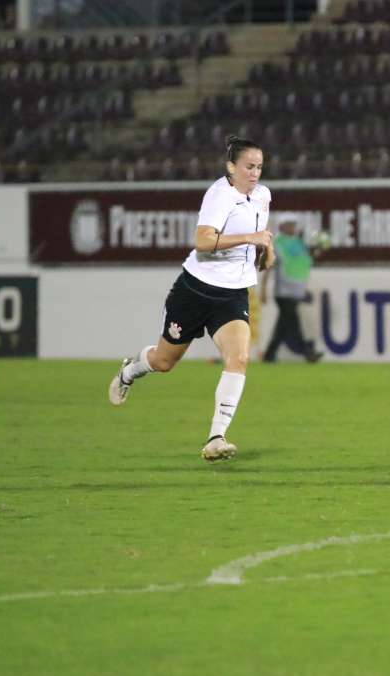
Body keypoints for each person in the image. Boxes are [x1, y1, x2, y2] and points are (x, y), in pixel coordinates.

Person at [107, 134, 275, 461]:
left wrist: (266, 249)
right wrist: (249, 237)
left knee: (239, 358)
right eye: (249, 167)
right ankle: (130, 371)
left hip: (233, 294)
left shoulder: (263, 196)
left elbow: (260, 241)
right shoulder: (219, 195)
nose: (255, 173)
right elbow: (202, 241)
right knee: (164, 362)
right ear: (231, 167)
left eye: (259, 167)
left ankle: (216, 438)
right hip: (195, 290)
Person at [260, 214, 323, 363]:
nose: (292, 227)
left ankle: (269, 355)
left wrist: (319, 249)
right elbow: (268, 267)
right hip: (284, 291)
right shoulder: (277, 243)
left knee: (284, 324)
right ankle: (308, 353)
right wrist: (263, 290)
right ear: (282, 226)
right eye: (289, 224)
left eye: (293, 224)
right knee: (293, 323)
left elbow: (306, 260)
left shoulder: (298, 242)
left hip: (296, 291)